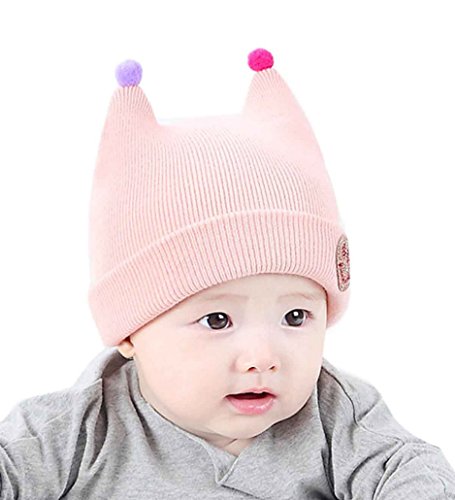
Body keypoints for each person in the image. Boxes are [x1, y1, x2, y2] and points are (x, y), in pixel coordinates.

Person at [0, 48, 454, 500]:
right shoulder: (71, 434)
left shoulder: (336, 417)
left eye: (295, 317)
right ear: (130, 333)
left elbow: (414, 470)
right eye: (217, 320)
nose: (263, 357)